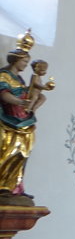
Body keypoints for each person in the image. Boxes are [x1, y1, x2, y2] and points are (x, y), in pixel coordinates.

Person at [0, 37, 48, 195]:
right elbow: (3, 94)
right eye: (24, 62)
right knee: (9, 151)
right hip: (9, 120)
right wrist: (19, 102)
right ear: (16, 60)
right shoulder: (4, 75)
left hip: (23, 120)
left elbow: (27, 93)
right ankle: (3, 185)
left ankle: (15, 186)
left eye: (27, 63)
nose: (26, 65)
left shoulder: (19, 79)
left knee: (24, 152)